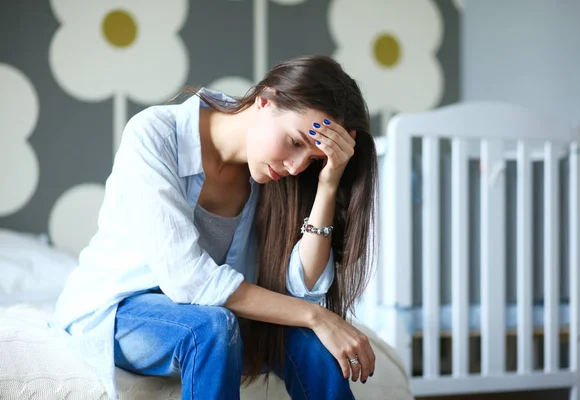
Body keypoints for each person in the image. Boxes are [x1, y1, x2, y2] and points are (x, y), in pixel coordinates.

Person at [52, 55, 379, 400]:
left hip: (222, 318)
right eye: (297, 142)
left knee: (310, 342)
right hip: (122, 310)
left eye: (313, 159)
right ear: (265, 100)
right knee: (211, 327)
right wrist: (317, 316)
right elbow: (188, 280)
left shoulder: (280, 176)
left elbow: (303, 290)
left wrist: (328, 184)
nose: (298, 167)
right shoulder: (155, 135)